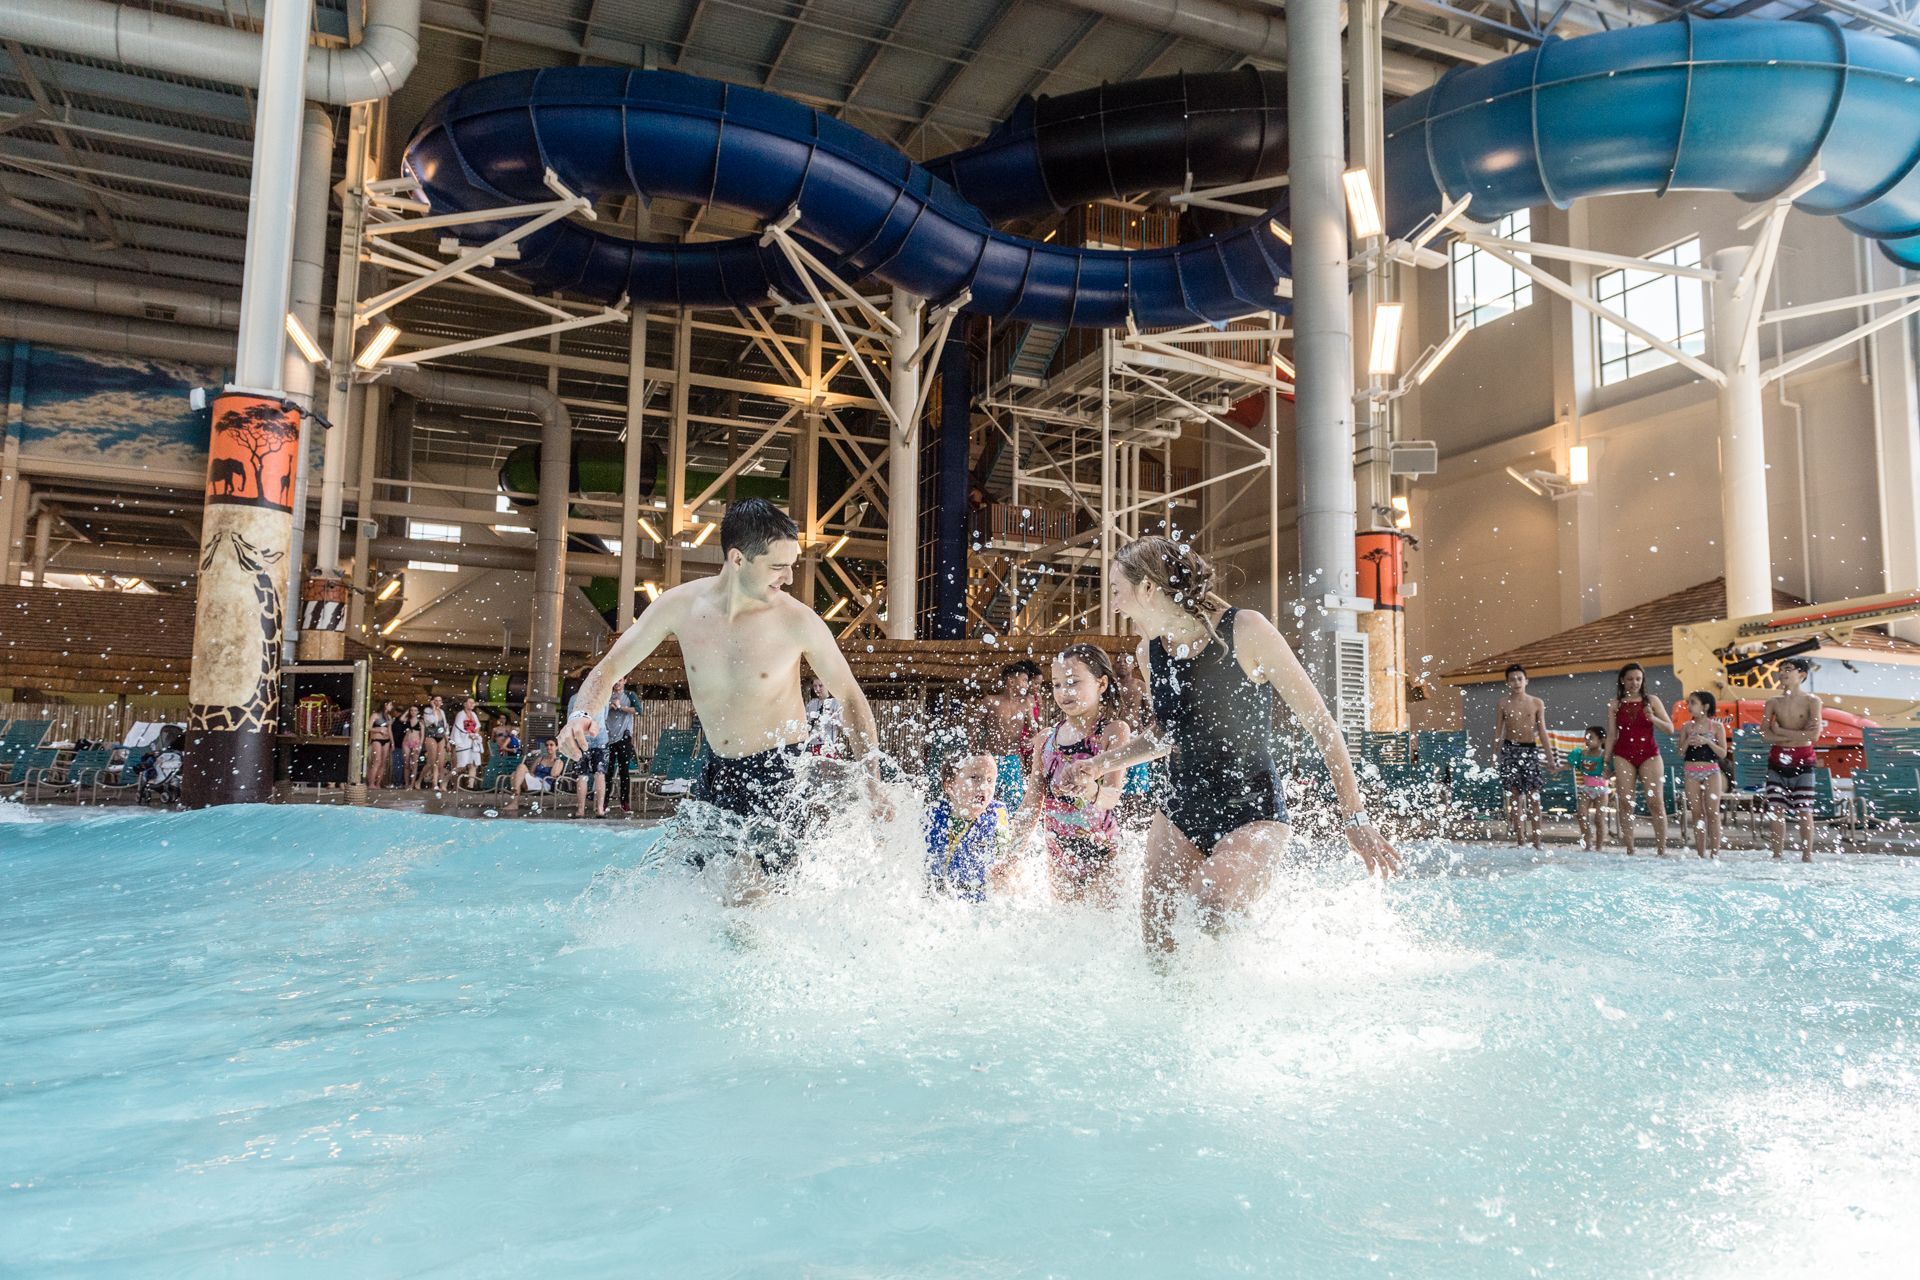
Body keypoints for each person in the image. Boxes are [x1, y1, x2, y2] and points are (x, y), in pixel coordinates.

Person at [1059, 537, 1400, 954]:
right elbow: (1168, 735)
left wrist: (1355, 817)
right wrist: (1099, 764)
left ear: (1148, 588)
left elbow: (1322, 725)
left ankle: (1245, 984)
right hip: (1180, 809)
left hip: (1252, 811)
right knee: (1157, 945)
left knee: (1212, 907)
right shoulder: (1149, 654)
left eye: (1116, 591)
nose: (1113, 605)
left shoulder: (1246, 630)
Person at [557, 499, 886, 900]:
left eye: (792, 564)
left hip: (778, 775)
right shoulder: (680, 606)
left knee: (748, 901)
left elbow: (850, 695)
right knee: (689, 897)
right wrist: (582, 712)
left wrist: (873, 782)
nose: (789, 577)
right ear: (737, 559)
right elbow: (608, 669)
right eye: (778, 566)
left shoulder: (797, 621)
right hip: (716, 771)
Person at [1019, 643, 1132, 903]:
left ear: (1101, 684)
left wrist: (1092, 789)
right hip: (1058, 854)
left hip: (1103, 853)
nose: (1063, 692)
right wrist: (1012, 854)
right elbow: (1031, 803)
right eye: (1057, 684)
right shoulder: (1047, 739)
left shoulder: (1113, 732)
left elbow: (1112, 797)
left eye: (1073, 682)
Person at [1603, 662, 1672, 856]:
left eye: (1638, 679)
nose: (1634, 683)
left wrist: (1653, 718)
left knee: (1655, 802)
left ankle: (1661, 849)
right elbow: (1611, 734)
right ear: (1622, 681)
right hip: (1623, 754)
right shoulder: (1615, 704)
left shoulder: (1651, 701)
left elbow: (1670, 728)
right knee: (1625, 802)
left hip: (1649, 754)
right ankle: (1630, 849)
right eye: (1630, 679)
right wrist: (1605, 761)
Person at [925, 752, 1013, 902]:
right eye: (975, 778)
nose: (984, 786)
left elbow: (1008, 864)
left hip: (982, 901)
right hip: (941, 900)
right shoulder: (932, 817)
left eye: (990, 780)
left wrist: (1007, 876)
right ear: (949, 786)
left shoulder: (997, 819)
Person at [1762, 657, 1823, 862]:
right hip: (1777, 761)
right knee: (1776, 810)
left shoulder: (1812, 701)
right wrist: (1795, 735)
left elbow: (1814, 736)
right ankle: (1777, 855)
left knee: (1804, 811)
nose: (1782, 673)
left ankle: (1807, 856)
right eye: (1780, 669)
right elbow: (1765, 735)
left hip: (1803, 762)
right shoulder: (1772, 702)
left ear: (1802, 675)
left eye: (1788, 669)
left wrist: (1782, 732)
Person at [1492, 664, 1553, 850]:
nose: (1516, 682)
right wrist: (1494, 755)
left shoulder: (1536, 703)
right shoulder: (1503, 703)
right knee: (1515, 798)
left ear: (1526, 681)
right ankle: (1520, 840)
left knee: (1534, 797)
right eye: (1512, 679)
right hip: (1510, 750)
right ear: (1507, 683)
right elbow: (1498, 731)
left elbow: (1542, 731)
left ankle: (1537, 841)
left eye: (1520, 678)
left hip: (1530, 750)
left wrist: (1550, 757)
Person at [979, 660, 1042, 808]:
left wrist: (1033, 741)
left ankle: (1009, 829)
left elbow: (1034, 731)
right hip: (991, 757)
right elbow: (972, 728)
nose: (1028, 685)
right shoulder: (990, 702)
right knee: (987, 796)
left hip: (1013, 759)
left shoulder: (1026, 704)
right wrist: (977, 752)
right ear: (1011, 681)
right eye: (1025, 681)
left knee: (1014, 800)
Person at [1677, 691, 1729, 859]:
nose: (1689, 706)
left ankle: (1715, 853)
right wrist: (1687, 741)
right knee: (1697, 813)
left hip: (1711, 771)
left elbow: (1722, 754)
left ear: (1705, 706)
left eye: (1693, 703)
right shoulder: (1686, 727)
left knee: (1713, 813)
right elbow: (1680, 752)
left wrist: (1708, 741)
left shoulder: (1716, 727)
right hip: (1691, 771)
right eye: (1689, 703)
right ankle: (1700, 853)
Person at [1564, 726, 1612, 851]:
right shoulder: (1582, 753)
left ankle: (1599, 847)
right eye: (1586, 737)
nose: (1587, 740)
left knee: (1599, 819)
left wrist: (1611, 774)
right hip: (1587, 788)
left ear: (1602, 740)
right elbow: (1570, 765)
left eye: (1591, 738)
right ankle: (1588, 841)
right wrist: (1556, 769)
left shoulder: (1604, 755)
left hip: (1601, 790)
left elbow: (1613, 769)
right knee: (1581, 814)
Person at [603, 677, 641, 815]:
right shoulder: (606, 694)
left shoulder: (630, 695)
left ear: (625, 681)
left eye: (620, 680)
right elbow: (598, 710)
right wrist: (608, 706)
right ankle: (604, 802)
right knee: (607, 771)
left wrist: (621, 707)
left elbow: (638, 710)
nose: (617, 683)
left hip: (624, 737)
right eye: (615, 680)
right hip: (607, 737)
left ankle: (625, 803)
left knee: (624, 772)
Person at [572, 689, 611, 819]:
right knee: (600, 774)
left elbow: (570, 721)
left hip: (581, 739)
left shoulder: (575, 698)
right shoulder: (603, 697)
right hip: (600, 738)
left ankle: (580, 810)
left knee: (582, 775)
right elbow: (604, 717)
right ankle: (600, 810)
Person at [505, 738, 564, 814]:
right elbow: (531, 772)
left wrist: (556, 761)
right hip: (535, 780)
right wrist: (530, 775)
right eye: (547, 745)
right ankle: (515, 800)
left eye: (551, 745)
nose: (548, 747)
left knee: (519, 770)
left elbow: (553, 774)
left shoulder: (559, 762)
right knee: (515, 772)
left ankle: (515, 792)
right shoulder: (540, 759)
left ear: (557, 747)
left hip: (544, 784)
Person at [804, 676, 846, 758]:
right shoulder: (811, 704)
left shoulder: (836, 703)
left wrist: (835, 719)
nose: (817, 689)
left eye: (820, 685)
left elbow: (843, 729)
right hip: (813, 745)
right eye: (815, 686)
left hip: (829, 745)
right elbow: (805, 725)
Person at [449, 695, 484, 788]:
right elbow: (459, 728)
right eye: (470, 702)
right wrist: (470, 734)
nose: (472, 704)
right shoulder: (461, 714)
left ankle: (470, 785)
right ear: (465, 704)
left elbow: (477, 726)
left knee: (473, 764)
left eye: (473, 703)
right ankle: (446, 780)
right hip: (463, 741)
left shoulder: (474, 714)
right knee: (461, 766)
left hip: (472, 742)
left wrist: (475, 734)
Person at [421, 694, 450, 790]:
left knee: (441, 763)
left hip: (441, 737)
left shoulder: (442, 711)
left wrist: (448, 741)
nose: (438, 702)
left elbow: (444, 727)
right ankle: (428, 782)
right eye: (436, 700)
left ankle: (439, 784)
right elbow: (432, 722)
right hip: (431, 736)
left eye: (439, 700)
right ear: (432, 701)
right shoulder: (427, 711)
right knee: (432, 762)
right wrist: (433, 708)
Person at [367, 700, 395, 792]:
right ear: (385, 705)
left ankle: (378, 783)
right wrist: (378, 730)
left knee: (383, 762)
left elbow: (390, 730)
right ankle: (371, 783)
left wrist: (392, 742)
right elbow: (368, 727)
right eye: (390, 705)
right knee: (377, 761)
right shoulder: (375, 715)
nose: (391, 707)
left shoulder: (389, 717)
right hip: (377, 739)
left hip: (386, 740)